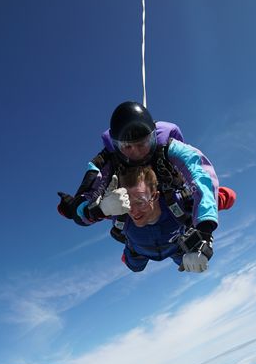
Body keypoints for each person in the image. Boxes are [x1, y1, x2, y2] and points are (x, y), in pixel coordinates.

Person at [57, 101, 236, 270]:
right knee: (136, 264)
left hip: (173, 242)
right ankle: (133, 254)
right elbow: (82, 204)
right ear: (116, 146)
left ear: (153, 136)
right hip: (141, 247)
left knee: (184, 256)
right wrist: (101, 209)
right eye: (127, 146)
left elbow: (200, 173)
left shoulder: (168, 147)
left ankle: (139, 251)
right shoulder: (107, 162)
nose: (136, 153)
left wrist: (204, 231)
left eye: (142, 143)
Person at [115, 166, 213, 272]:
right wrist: (102, 209)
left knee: (189, 264)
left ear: (155, 196)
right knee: (135, 267)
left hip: (176, 247)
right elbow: (98, 215)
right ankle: (129, 256)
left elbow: (209, 201)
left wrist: (203, 248)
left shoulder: (178, 202)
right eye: (127, 203)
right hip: (138, 252)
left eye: (140, 202)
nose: (133, 210)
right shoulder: (119, 211)